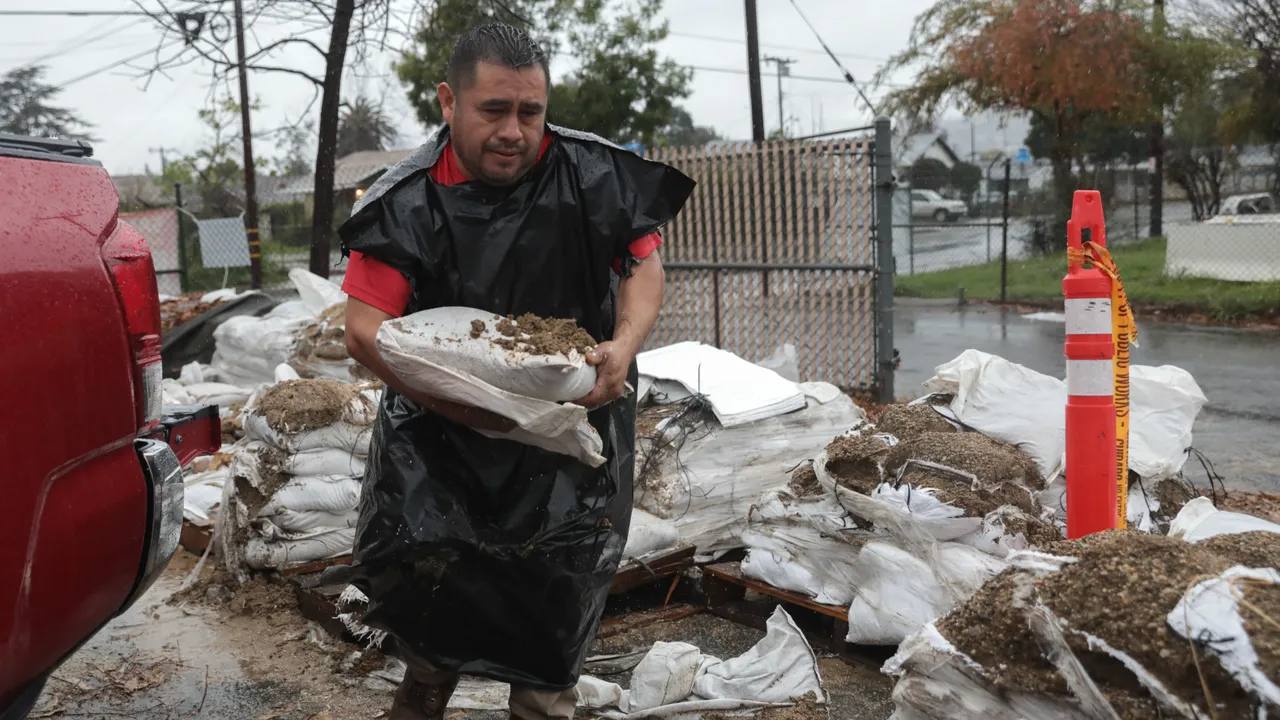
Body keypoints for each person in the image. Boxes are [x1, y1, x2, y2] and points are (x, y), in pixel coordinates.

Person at [337, 23, 693, 720]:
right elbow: (364, 332)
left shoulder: (592, 175)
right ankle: (422, 694)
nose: (514, 130)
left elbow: (643, 264)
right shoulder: (405, 203)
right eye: (493, 110)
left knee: (551, 624)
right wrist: (462, 401)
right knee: (431, 613)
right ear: (448, 101)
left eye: (530, 112)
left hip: (568, 434)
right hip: (439, 443)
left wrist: (623, 345)